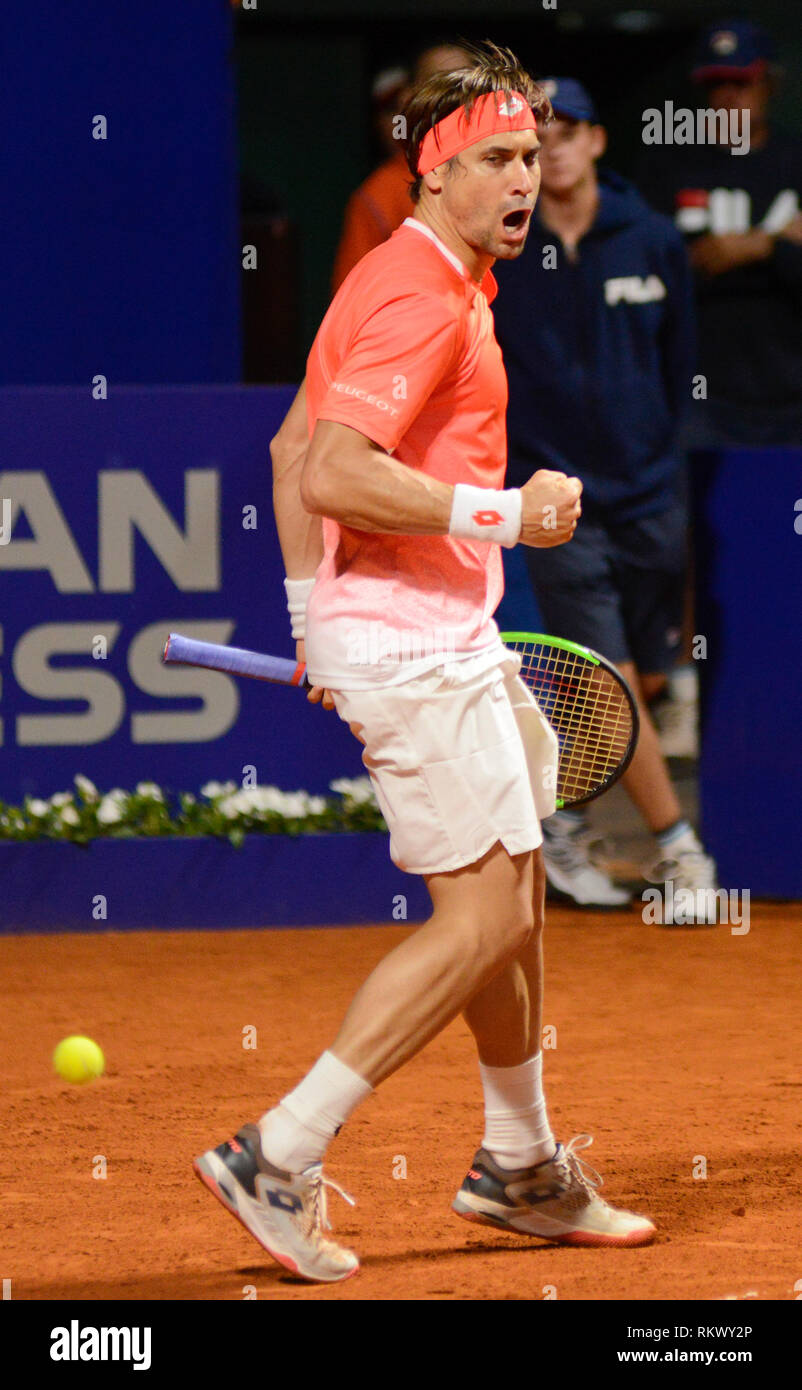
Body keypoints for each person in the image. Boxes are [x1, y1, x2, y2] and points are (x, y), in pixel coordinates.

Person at [195, 43, 657, 1285]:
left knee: (513, 906)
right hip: (415, 641)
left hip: (431, 629)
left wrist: (307, 616)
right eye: (500, 159)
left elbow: (293, 441)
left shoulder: (420, 274)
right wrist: (502, 516)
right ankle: (275, 1151)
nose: (525, 176)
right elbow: (335, 468)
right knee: (485, 914)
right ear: (438, 172)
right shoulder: (416, 291)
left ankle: (518, 1164)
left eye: (531, 153)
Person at [491, 78, 718, 918]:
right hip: (556, 500)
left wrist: (667, 466)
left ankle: (561, 820)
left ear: (597, 141)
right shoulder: (503, 249)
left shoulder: (652, 240)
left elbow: (680, 362)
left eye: (568, 128)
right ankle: (677, 848)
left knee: (642, 682)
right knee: (610, 676)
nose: (551, 144)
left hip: (652, 496)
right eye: (534, 131)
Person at [638, 19, 802, 446]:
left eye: (741, 82)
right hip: (704, 392)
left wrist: (754, 246)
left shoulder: (795, 163)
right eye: (716, 85)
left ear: (769, 84)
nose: (727, 97)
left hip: (793, 385)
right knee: (707, 510)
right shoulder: (671, 169)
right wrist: (778, 241)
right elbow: (652, 274)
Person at [331, 42, 473, 292]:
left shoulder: (510, 172)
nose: (457, 96)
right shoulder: (380, 194)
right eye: (441, 83)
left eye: (467, 84)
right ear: (411, 97)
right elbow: (353, 299)